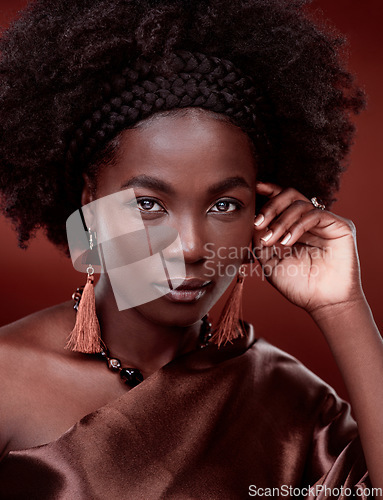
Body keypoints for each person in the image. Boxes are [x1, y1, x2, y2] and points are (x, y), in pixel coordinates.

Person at [0, 0, 381, 498]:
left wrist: (342, 307)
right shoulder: (7, 378)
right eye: (149, 204)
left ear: (260, 213)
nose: (192, 246)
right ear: (91, 203)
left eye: (224, 204)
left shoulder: (295, 406)